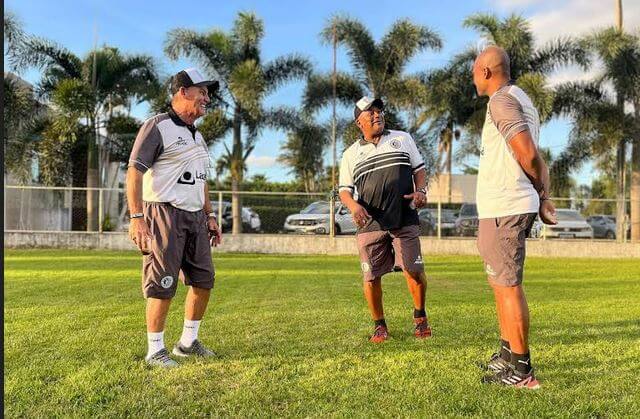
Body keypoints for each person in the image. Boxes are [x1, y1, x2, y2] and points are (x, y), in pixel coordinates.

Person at [472, 46, 557, 388]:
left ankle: (522, 371)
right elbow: (537, 158)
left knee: (508, 287)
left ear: (488, 72)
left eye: (476, 71)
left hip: (505, 207)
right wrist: (543, 195)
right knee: (500, 282)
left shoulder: (501, 101)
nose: (473, 77)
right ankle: (507, 356)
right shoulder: (520, 98)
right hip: (502, 206)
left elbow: (527, 152)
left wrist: (539, 194)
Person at [127, 68, 223, 368]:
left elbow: (201, 179)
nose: (207, 98)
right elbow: (134, 171)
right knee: (163, 282)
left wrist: (209, 215)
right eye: (202, 91)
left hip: (196, 217)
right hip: (163, 213)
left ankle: (188, 342)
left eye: (208, 93)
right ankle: (155, 350)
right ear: (183, 91)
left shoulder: (198, 136)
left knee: (203, 280)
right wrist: (136, 216)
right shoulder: (157, 126)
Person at [338, 96, 431, 343]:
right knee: (370, 276)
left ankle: (420, 316)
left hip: (404, 216)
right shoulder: (350, 154)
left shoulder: (402, 138)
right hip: (370, 222)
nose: (377, 115)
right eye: (370, 113)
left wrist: (421, 192)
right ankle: (380, 326)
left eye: (379, 111)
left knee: (413, 270)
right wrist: (354, 206)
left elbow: (419, 170)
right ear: (360, 122)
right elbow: (344, 191)